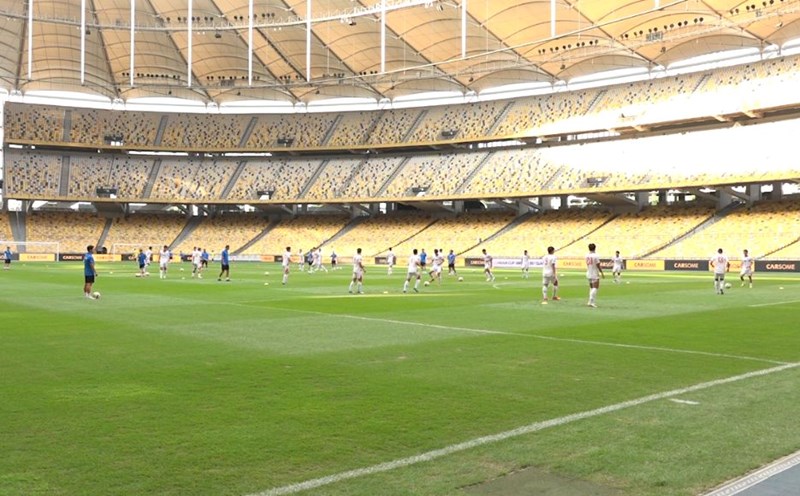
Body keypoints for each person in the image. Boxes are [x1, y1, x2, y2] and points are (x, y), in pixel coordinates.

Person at [585, 243, 604, 308]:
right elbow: (598, 265)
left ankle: (589, 302)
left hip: (588, 272)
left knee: (591, 287)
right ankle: (591, 302)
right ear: (595, 248)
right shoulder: (596, 256)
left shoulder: (586, 255)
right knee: (595, 287)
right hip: (594, 273)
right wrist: (602, 273)